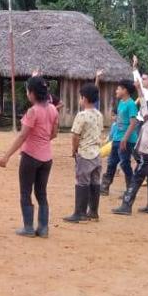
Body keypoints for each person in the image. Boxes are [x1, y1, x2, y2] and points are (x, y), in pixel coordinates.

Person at [0, 76, 59, 238]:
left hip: (30, 156)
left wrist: (6, 156)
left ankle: (28, 228)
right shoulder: (53, 109)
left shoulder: (32, 111)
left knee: (26, 192)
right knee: (42, 193)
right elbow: (54, 133)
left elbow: (22, 136)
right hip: (47, 158)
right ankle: (44, 228)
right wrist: (44, 140)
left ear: (31, 93)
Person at [112, 82, 148, 215]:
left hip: (145, 157)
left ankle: (126, 206)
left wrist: (139, 88)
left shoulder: (147, 122)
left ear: (147, 112)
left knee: (136, 179)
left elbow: (142, 101)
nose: (141, 110)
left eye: (143, 110)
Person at [63, 84, 104, 223]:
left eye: (80, 97)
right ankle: (93, 212)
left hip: (85, 154)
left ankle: (79, 213)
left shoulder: (81, 115)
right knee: (95, 182)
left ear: (84, 98)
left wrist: (74, 150)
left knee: (82, 182)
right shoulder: (99, 114)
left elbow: (75, 135)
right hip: (97, 154)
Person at [100, 79, 139, 196]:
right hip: (117, 138)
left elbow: (133, 123)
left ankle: (130, 190)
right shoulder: (121, 102)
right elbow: (119, 121)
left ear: (125, 90)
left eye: (118, 88)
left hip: (126, 140)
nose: (116, 90)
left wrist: (125, 138)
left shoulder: (131, 104)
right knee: (111, 162)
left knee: (124, 163)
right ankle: (105, 187)